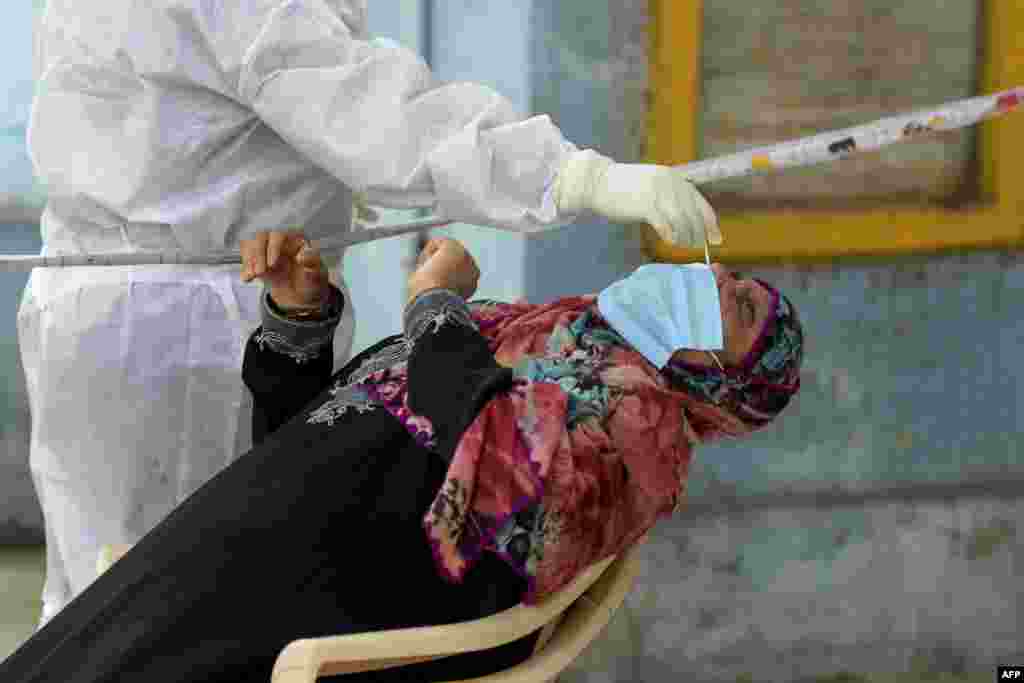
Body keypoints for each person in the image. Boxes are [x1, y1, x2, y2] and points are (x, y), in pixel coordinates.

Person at [20, 0, 722, 626]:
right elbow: (362, 104)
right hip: (181, 331)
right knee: (159, 613)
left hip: (116, 301)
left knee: (107, 597)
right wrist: (564, 175)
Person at [1, 236, 804, 682]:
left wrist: (433, 304)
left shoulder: (639, 427)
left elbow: (493, 474)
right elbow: (323, 434)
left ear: (725, 381)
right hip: (235, 559)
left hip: (296, 611)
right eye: (722, 272)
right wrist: (299, 324)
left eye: (731, 302)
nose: (708, 277)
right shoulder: (550, 336)